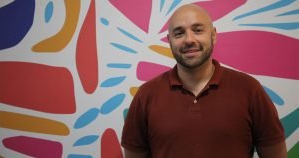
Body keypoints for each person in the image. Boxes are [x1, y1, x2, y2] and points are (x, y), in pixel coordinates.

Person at [121, 4, 287, 158]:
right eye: (179, 33)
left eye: (198, 30)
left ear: (213, 35)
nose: (189, 40)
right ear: (169, 40)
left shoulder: (249, 89)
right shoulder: (146, 95)